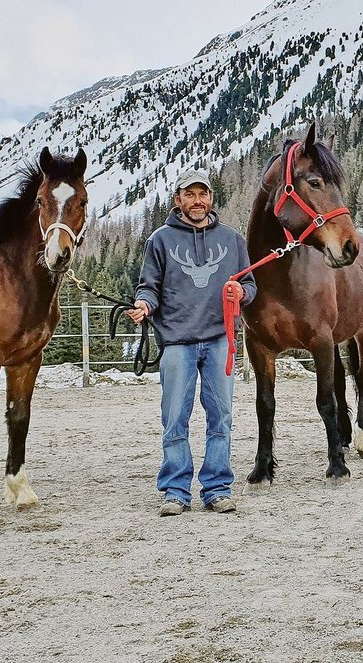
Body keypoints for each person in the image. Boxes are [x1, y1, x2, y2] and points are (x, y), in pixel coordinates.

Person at [128, 169, 257, 515]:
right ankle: (176, 491)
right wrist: (144, 305)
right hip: (177, 342)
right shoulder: (160, 240)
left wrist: (242, 292)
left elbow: (251, 285)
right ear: (178, 200)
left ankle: (217, 488)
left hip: (219, 340)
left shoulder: (232, 240)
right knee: (174, 418)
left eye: (203, 194)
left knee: (221, 418)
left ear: (211, 198)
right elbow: (149, 286)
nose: (197, 201)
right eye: (190, 194)